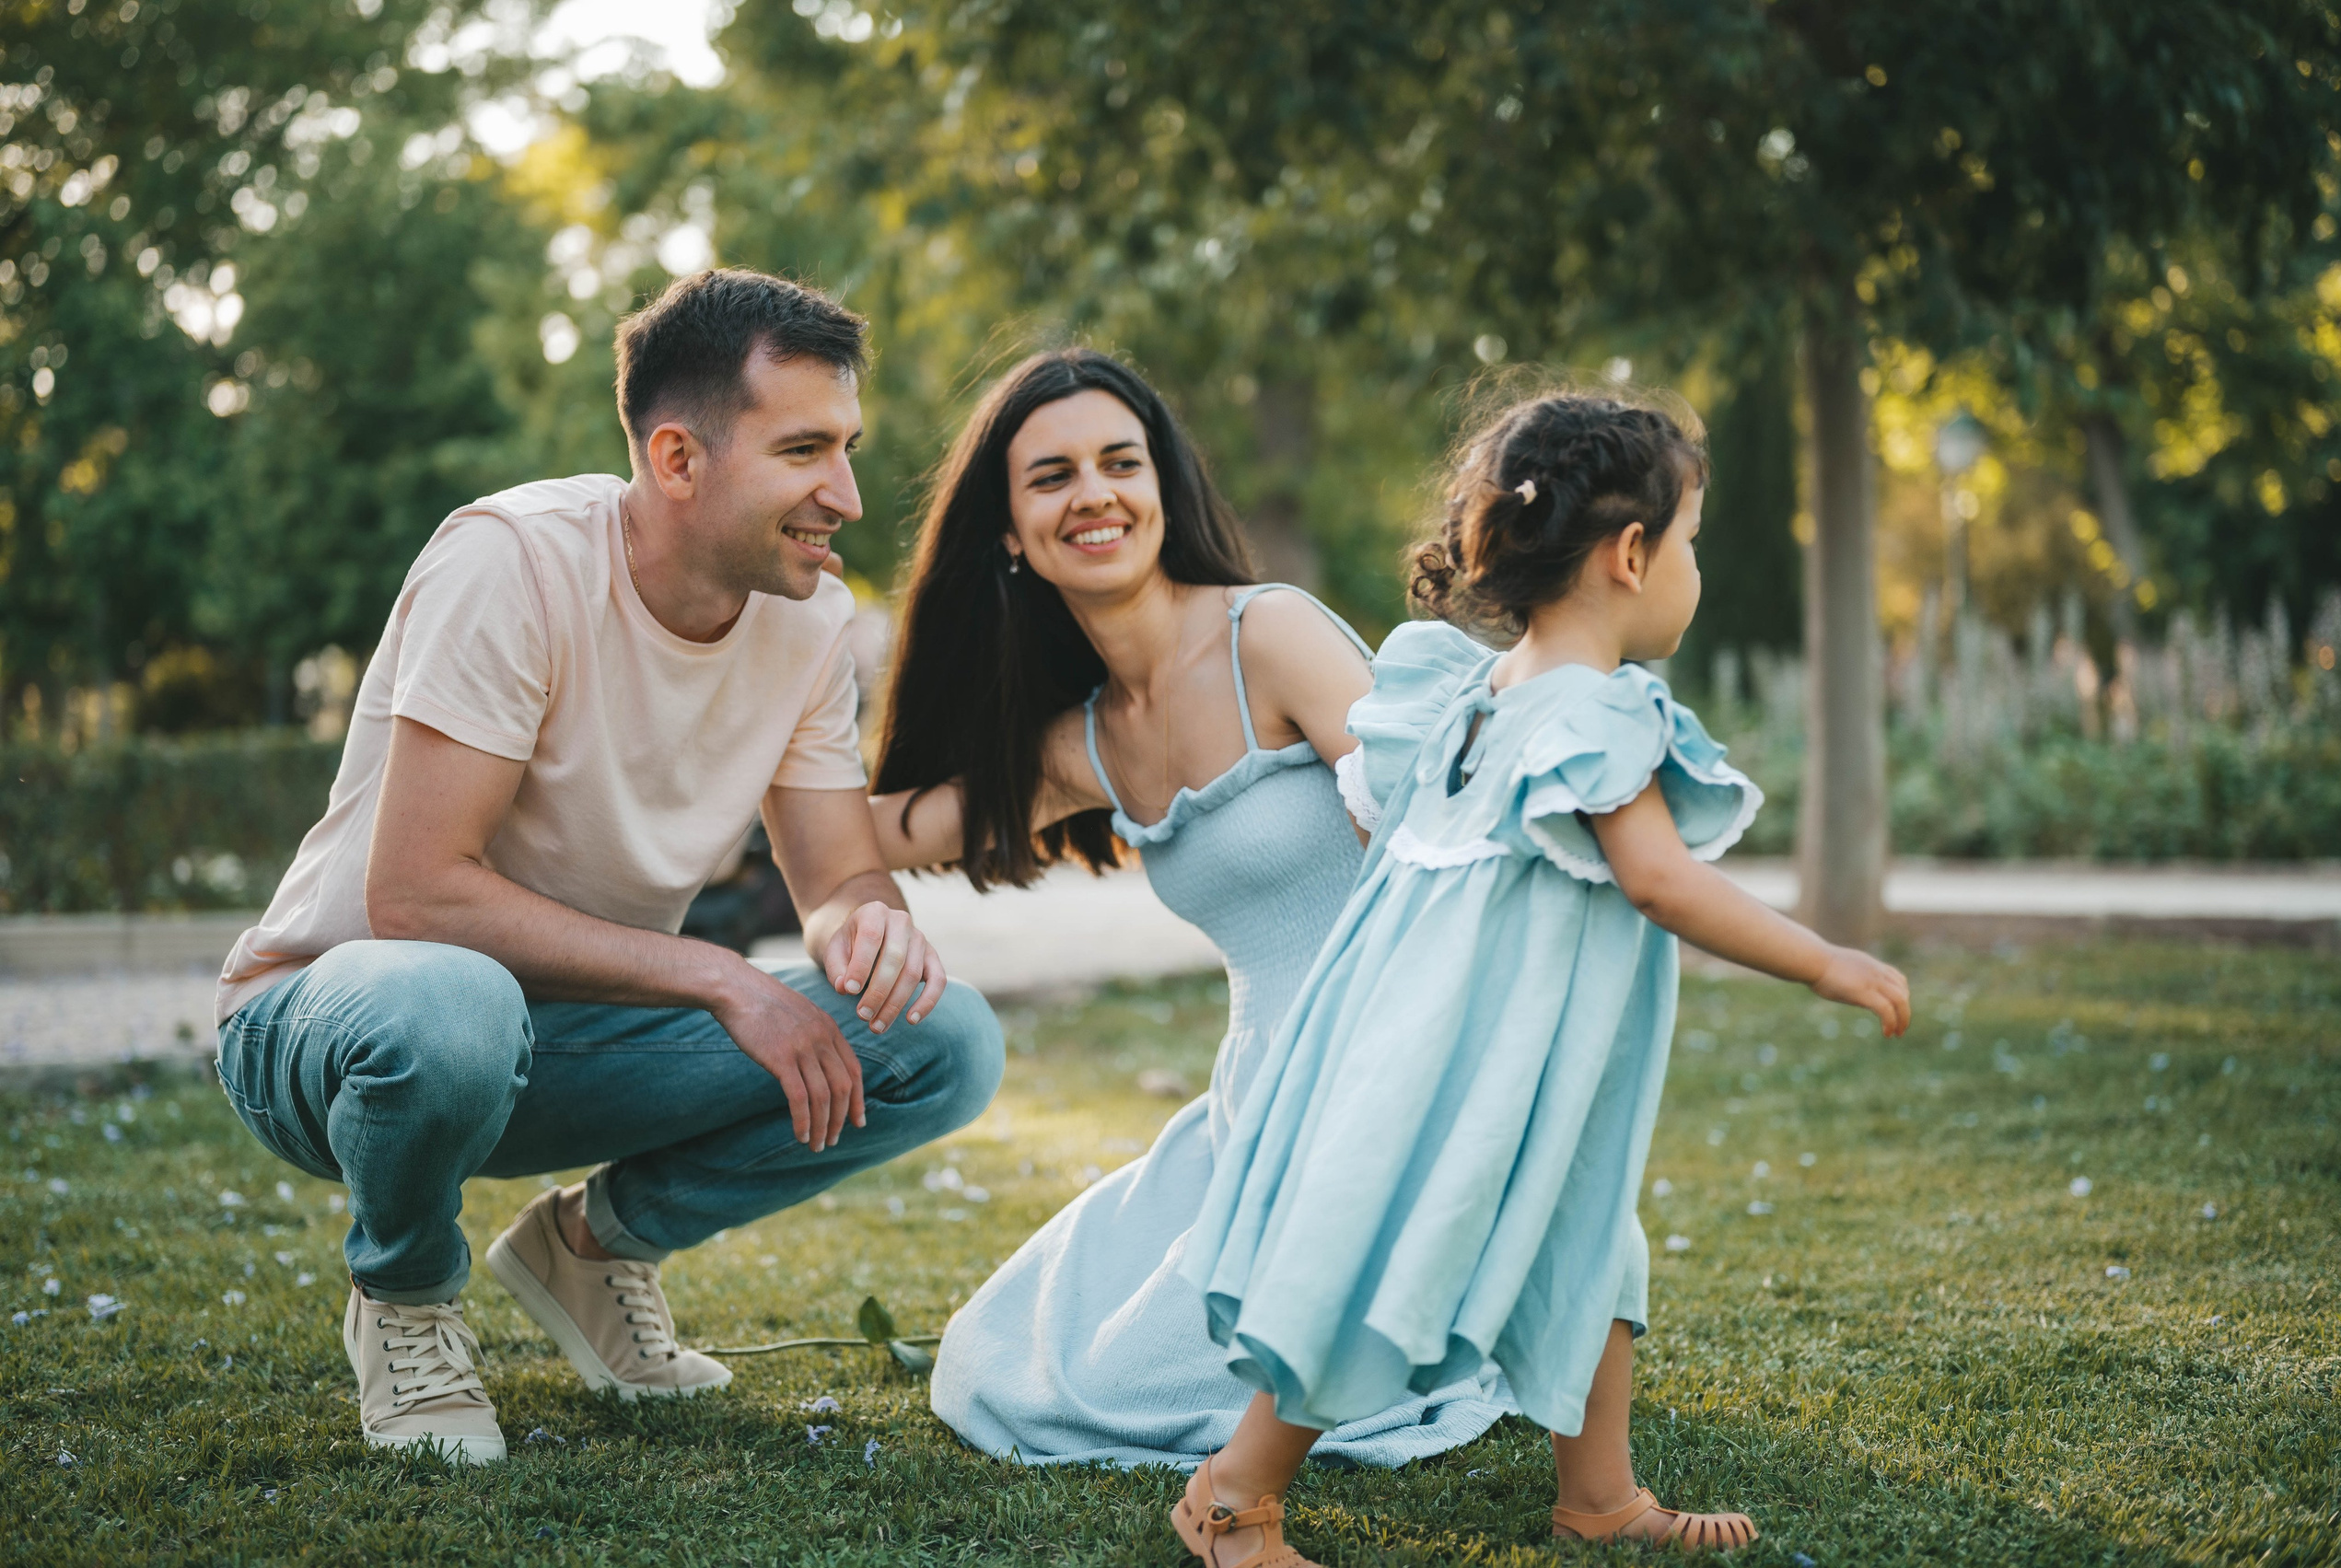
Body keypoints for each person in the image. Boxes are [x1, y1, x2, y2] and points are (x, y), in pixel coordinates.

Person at [211, 269, 1004, 1466]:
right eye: (804, 451)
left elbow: (841, 874)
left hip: (568, 1041)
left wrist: (865, 929)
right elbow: (419, 894)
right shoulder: (510, 563)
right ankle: (407, 1296)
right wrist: (721, 975)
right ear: (678, 458)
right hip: (336, 1028)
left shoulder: (807, 620)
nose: (843, 492)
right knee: (452, 998)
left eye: (846, 446)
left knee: (943, 1037)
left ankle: (587, 1249)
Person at [1169, 389, 1913, 1564]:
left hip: (1483, 1048)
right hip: (1469, 1062)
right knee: (1381, 1247)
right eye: (1692, 541)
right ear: (1629, 554)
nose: (1694, 565)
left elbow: (1403, 845)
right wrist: (1823, 958)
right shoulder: (1595, 714)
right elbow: (1662, 882)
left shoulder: (1464, 695)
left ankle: (1601, 1494)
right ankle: (1229, 1495)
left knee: (1592, 1230)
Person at [867, 347, 1510, 1467]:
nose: (1096, 493)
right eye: (1053, 475)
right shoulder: (1085, 740)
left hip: (1383, 1084)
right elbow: (877, 829)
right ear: (1009, 532)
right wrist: (755, 697)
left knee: (1134, 1381)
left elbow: (1435, 856)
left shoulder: (1270, 635)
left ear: (1162, 488)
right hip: (1249, 1108)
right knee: (1002, 1357)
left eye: (1122, 461)